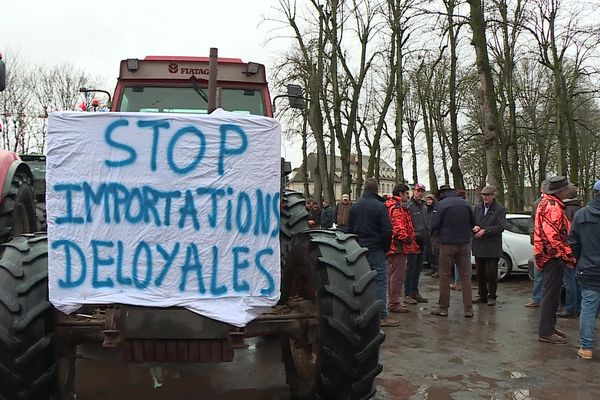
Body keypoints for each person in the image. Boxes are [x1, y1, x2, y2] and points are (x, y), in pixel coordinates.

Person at [348, 178, 397, 327]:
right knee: (381, 281)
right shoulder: (380, 206)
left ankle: (359, 312)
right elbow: (387, 230)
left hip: (358, 249)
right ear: (376, 190)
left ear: (364, 189)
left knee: (359, 282)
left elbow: (349, 229)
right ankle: (382, 315)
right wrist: (386, 248)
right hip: (376, 248)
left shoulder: (355, 206)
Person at [534, 176, 576, 344]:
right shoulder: (553, 207)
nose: (568, 190)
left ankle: (550, 327)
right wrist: (568, 255)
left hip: (549, 254)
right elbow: (553, 237)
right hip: (552, 256)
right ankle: (546, 331)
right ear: (560, 191)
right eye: (566, 188)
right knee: (551, 294)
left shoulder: (550, 203)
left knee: (552, 293)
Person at [429, 185, 475, 318]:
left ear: (442, 194)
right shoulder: (466, 204)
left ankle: (443, 308)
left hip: (447, 244)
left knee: (444, 276)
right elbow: (473, 223)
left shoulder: (441, 205)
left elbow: (434, 224)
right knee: (466, 277)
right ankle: (468, 309)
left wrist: (435, 237)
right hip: (464, 244)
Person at [569, 180, 600, 359]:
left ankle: (587, 348)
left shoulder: (582, 215)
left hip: (588, 269)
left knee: (588, 308)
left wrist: (579, 260)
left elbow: (573, 242)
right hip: (589, 267)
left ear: (594, 193)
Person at [385, 184, 420, 314]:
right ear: (400, 193)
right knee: (397, 275)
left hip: (393, 245)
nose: (408, 196)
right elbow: (398, 227)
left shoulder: (390, 205)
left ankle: (393, 300)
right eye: (406, 193)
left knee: (392, 274)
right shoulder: (397, 208)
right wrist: (407, 238)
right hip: (398, 246)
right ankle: (394, 303)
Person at [472, 185, 507, 307]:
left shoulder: (500, 209)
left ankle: (492, 296)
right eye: (483, 195)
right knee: (480, 272)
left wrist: (485, 231)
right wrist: (474, 227)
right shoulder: (477, 208)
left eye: (487, 195)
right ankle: (482, 295)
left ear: (494, 195)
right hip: (479, 245)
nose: (485, 197)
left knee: (492, 273)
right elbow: (471, 222)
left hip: (492, 246)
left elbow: (501, 226)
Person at [558, 184, 583, 318]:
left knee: (569, 280)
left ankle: (570, 307)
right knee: (578, 280)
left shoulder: (564, 210)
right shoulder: (581, 209)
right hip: (582, 250)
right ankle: (579, 307)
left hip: (568, 249)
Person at [405, 183, 429, 304]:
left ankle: (415, 291)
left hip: (423, 240)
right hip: (412, 240)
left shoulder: (424, 206)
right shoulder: (409, 206)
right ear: (414, 191)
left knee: (418, 267)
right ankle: (407, 293)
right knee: (410, 267)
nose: (420, 193)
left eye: (422, 191)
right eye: (418, 191)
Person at [525, 180, 548, 308]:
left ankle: (542, 298)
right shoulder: (536, 204)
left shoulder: (556, 203)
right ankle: (537, 298)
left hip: (550, 242)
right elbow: (532, 220)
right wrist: (532, 231)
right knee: (538, 271)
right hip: (540, 243)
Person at [425, 194, 439, 278]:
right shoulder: (425, 209)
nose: (429, 202)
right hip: (427, 234)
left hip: (434, 234)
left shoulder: (435, 209)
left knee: (435, 253)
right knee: (429, 252)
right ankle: (433, 268)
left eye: (430, 200)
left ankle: (437, 269)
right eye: (427, 200)